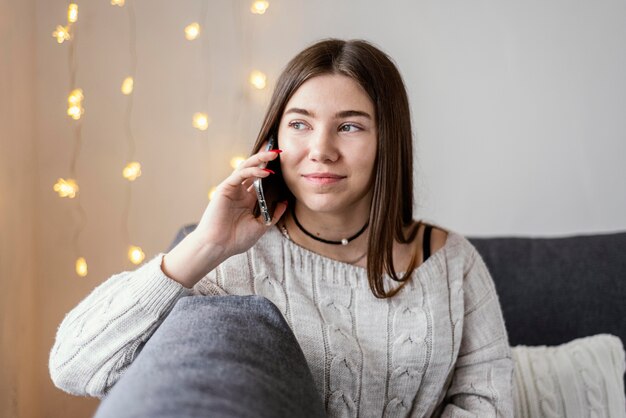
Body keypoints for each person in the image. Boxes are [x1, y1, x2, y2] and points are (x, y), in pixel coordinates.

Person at [50, 38, 514, 417]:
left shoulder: (449, 261)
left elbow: (488, 404)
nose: (321, 149)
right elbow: (72, 367)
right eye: (300, 124)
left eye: (349, 127)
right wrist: (206, 245)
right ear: (275, 138)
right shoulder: (233, 258)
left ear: (388, 141)